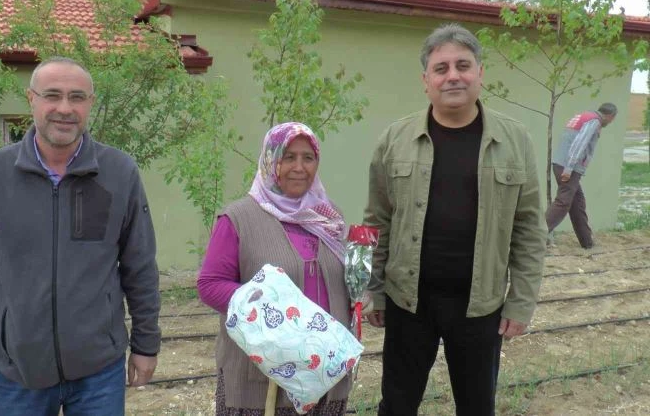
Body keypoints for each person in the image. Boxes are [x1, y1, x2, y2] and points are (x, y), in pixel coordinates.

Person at [0, 56, 161, 415]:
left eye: (77, 97)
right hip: (16, 374)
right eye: (52, 95)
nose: (65, 108)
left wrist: (146, 344)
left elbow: (141, 268)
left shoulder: (119, 173)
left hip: (99, 373)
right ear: (31, 99)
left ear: (90, 103)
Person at [363, 23, 546, 416]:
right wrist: (373, 290)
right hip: (408, 301)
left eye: (463, 65)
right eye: (441, 68)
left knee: (477, 406)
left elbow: (529, 228)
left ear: (480, 73)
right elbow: (376, 222)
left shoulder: (515, 141)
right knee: (396, 405)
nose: (453, 76)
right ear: (425, 80)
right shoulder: (394, 140)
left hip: (479, 306)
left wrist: (521, 302)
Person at [197, 122, 352, 415]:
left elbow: (341, 279)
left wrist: (360, 293)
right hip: (262, 380)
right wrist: (272, 311)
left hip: (325, 373)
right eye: (288, 157)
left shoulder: (329, 218)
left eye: (308, 158)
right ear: (270, 160)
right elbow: (210, 284)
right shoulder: (239, 218)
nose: (299, 167)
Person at [546, 103, 618, 248]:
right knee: (562, 203)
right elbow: (579, 144)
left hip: (561, 164)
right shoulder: (594, 121)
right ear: (610, 116)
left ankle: (587, 242)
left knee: (577, 203)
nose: (611, 122)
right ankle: (534, 234)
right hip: (569, 167)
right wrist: (569, 168)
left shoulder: (584, 116)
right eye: (612, 119)